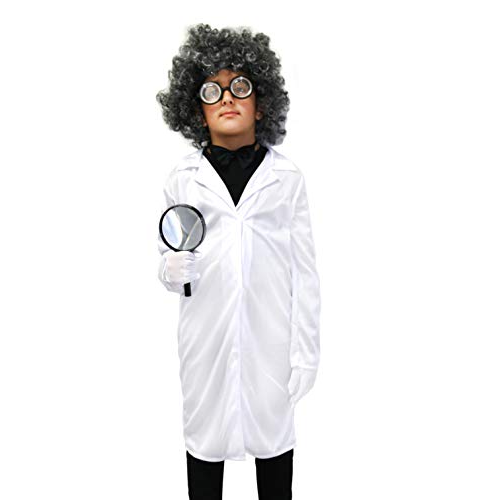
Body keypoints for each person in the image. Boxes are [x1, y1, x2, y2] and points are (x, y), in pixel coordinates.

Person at [156, 23, 321, 500]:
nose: (227, 98)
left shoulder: (286, 179)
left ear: (261, 104)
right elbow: (170, 251)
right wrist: (169, 270)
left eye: (240, 87)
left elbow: (305, 272)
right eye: (213, 91)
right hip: (205, 338)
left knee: (273, 439)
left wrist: (306, 351)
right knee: (205, 439)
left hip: (271, 337)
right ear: (197, 110)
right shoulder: (183, 178)